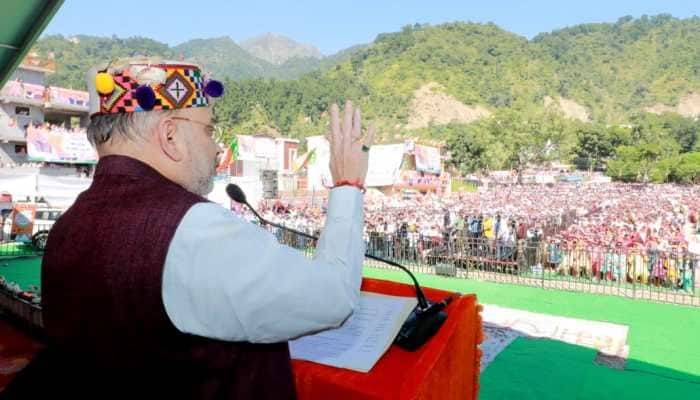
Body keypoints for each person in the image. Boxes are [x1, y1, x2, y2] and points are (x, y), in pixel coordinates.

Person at [6, 58, 374, 399]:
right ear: (169, 135)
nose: (216, 148)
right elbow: (335, 297)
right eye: (209, 129)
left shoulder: (68, 226)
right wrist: (348, 185)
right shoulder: (195, 229)